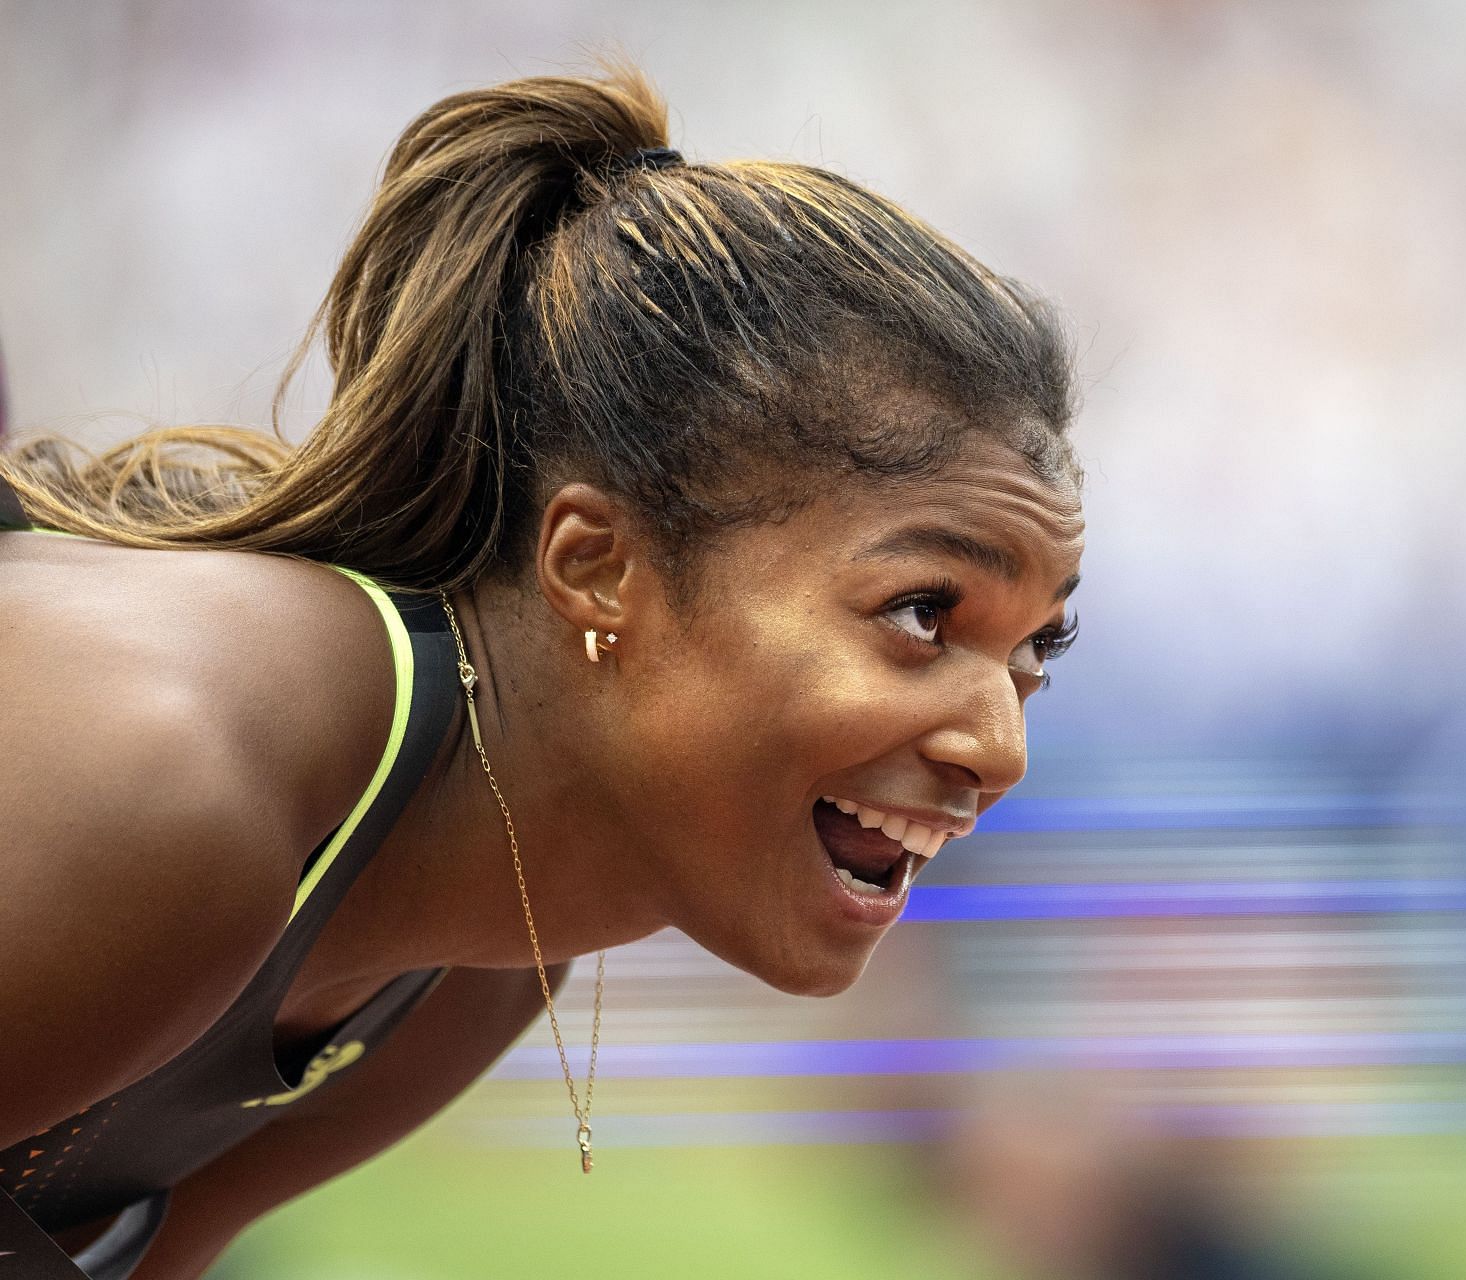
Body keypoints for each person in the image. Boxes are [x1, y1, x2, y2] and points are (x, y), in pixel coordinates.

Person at [0, 64, 1084, 1280]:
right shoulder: (168, 762)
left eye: (1040, 646)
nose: (1000, 747)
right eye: (923, 611)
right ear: (598, 566)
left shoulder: (487, 960)